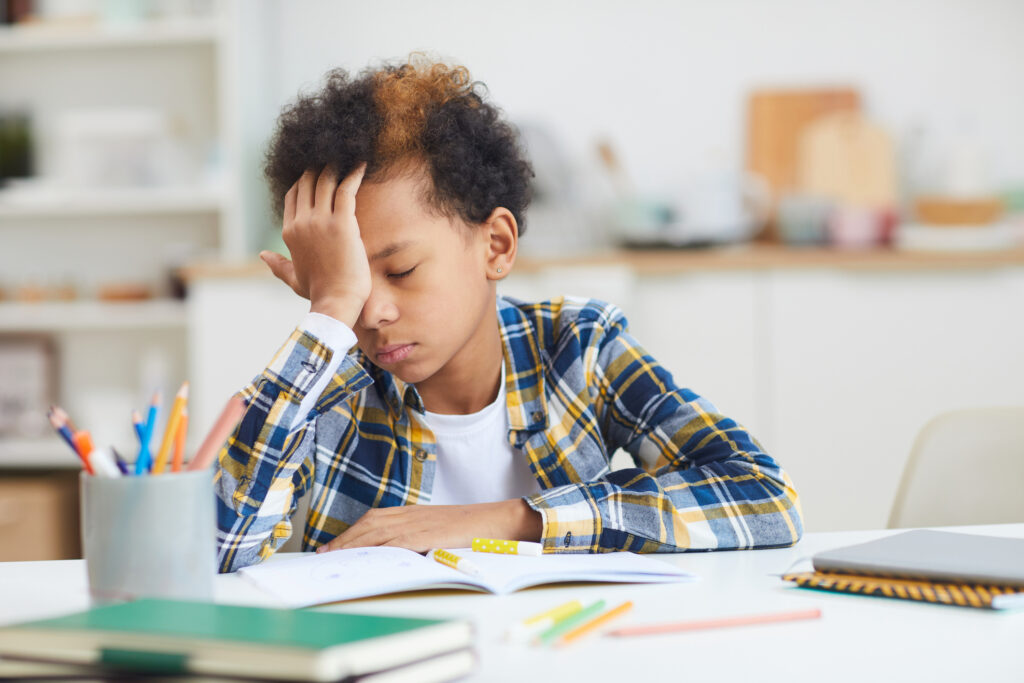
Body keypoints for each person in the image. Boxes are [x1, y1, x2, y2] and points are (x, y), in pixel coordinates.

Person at [214, 54, 802, 573]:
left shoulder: (578, 347)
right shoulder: (331, 380)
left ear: (494, 245)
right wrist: (327, 316)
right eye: (350, 284)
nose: (375, 313)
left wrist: (508, 519)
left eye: (400, 272)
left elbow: (764, 497)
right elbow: (218, 549)